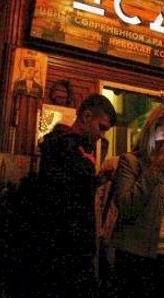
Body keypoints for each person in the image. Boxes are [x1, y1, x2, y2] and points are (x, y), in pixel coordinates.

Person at [29, 93, 117, 298]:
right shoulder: (65, 146)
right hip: (64, 249)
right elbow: (63, 196)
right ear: (86, 116)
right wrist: (87, 168)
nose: (102, 134)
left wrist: (97, 180)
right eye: (101, 127)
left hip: (70, 248)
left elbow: (74, 189)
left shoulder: (72, 147)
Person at [109, 105, 164, 297]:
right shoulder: (131, 162)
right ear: (152, 133)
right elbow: (126, 207)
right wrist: (153, 170)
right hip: (138, 256)